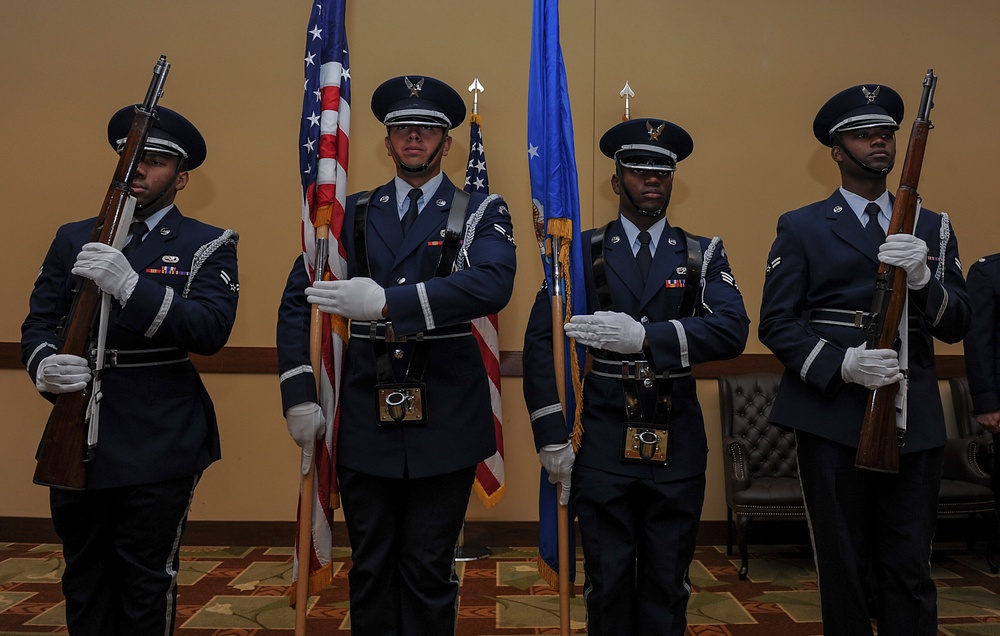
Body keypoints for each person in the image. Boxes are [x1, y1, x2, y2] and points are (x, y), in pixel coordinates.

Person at [276, 75, 516, 635]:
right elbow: (298, 303)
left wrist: (389, 302)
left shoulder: (480, 210)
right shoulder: (347, 213)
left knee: (430, 568)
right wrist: (298, 392)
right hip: (363, 415)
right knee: (373, 565)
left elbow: (492, 283)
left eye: (427, 129)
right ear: (385, 141)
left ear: (445, 143)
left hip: (448, 416)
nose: (414, 138)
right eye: (402, 128)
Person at [522, 117, 749, 635]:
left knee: (669, 586)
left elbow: (733, 330)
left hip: (677, 439)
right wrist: (551, 434)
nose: (651, 180)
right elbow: (542, 344)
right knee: (609, 582)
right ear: (616, 180)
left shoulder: (701, 253)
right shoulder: (576, 251)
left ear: (674, 181)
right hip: (600, 440)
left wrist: (649, 338)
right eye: (640, 170)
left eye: (662, 173)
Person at [759, 83, 969, 635]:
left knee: (910, 567)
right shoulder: (802, 225)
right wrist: (840, 364)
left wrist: (924, 279)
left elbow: (958, 323)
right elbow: (778, 323)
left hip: (912, 417)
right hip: (830, 415)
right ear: (836, 150)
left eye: (887, 133)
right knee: (843, 565)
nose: (879, 142)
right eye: (863, 134)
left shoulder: (932, 227)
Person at [21, 105, 240, 635]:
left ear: (181, 178)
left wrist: (131, 286)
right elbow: (40, 322)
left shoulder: (207, 243)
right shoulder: (75, 236)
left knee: (145, 580)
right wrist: (44, 365)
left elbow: (210, 330)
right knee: (84, 575)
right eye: (131, 157)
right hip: (77, 429)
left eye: (157, 161)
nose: (139, 169)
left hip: (158, 432)